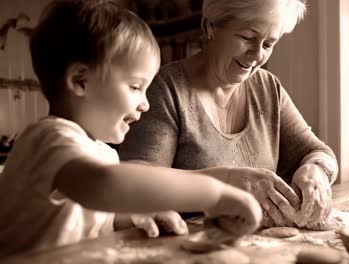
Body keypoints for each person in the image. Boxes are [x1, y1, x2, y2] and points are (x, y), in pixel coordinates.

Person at [0, 0, 262, 257]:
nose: (145, 104)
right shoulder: (50, 140)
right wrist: (214, 194)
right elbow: (102, 187)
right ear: (81, 81)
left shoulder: (101, 152)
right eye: (136, 87)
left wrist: (133, 215)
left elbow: (95, 216)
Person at [119, 0, 339, 229]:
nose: (256, 55)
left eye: (268, 44)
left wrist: (317, 172)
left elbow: (319, 152)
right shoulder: (165, 90)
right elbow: (137, 183)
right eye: (247, 38)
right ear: (210, 26)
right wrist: (227, 181)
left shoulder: (268, 88)